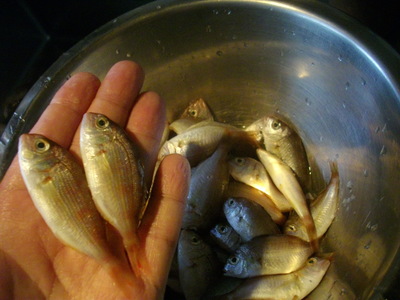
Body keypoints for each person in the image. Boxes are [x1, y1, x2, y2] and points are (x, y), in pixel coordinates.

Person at [0, 61, 190, 299]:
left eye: (101, 124)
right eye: (42, 146)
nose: (30, 141)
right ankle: (119, 260)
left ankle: (127, 250)